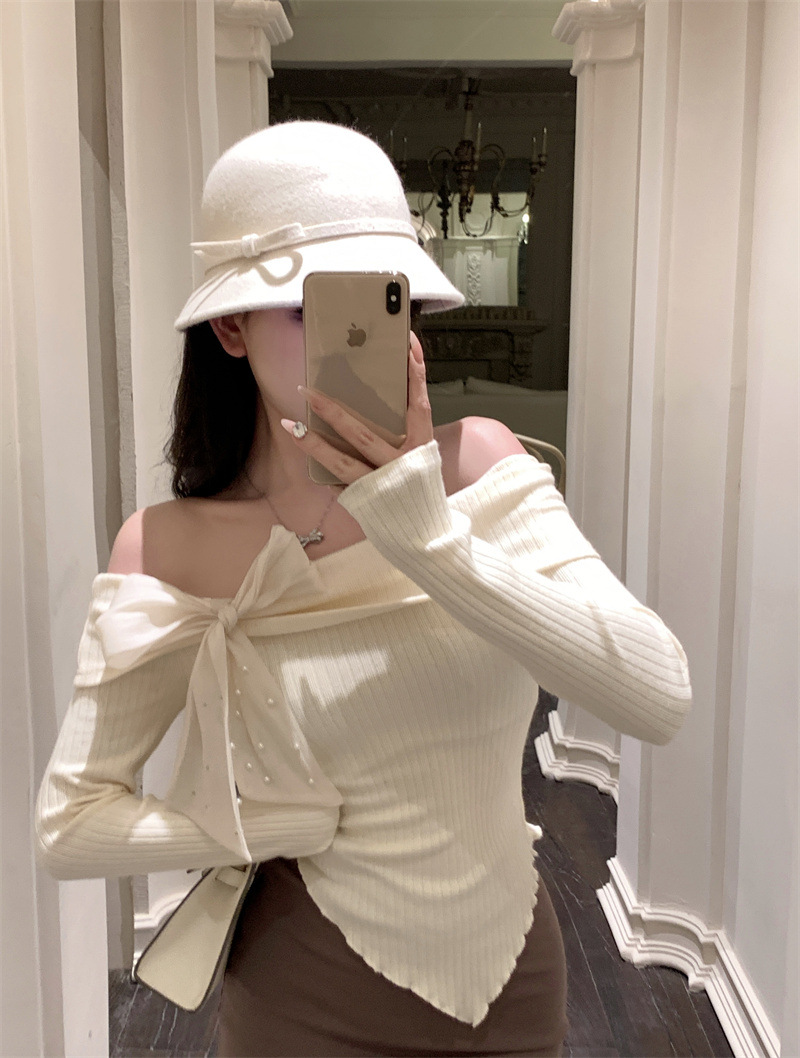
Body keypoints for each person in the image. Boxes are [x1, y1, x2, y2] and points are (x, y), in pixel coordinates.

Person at [34, 121, 692, 1057]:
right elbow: (71, 825)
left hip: (511, 981)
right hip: (303, 994)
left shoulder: (480, 469)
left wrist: (425, 533)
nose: (362, 339)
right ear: (230, 328)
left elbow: (657, 695)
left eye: (387, 303)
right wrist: (258, 824)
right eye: (313, 309)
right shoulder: (173, 546)